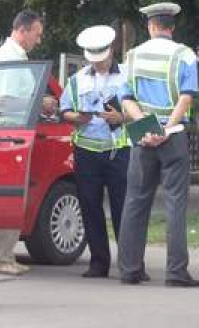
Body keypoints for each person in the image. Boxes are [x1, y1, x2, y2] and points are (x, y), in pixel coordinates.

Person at [117, 2, 199, 288]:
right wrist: (166, 128)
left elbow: (126, 98)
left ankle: (130, 270)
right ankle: (176, 272)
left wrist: (148, 126)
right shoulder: (185, 55)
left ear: (150, 26)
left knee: (135, 201)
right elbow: (187, 97)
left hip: (143, 137)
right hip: (174, 136)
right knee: (175, 204)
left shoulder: (132, 56)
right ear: (172, 27)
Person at [59, 25, 129, 278]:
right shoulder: (77, 80)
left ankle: (130, 263)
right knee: (90, 207)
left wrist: (120, 117)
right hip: (86, 151)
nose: (98, 64)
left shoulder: (127, 76)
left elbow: (141, 112)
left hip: (119, 151)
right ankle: (98, 263)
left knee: (124, 209)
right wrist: (76, 117)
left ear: (111, 51)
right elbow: (63, 109)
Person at [0, 9, 45, 275]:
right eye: (36, 34)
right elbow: (4, 100)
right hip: (9, 135)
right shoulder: (9, 57)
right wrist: (39, 103)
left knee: (13, 195)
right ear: (22, 30)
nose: (38, 40)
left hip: (14, 135)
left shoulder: (15, 56)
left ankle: (4, 254)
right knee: (8, 196)